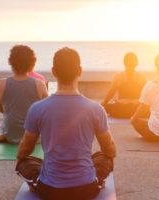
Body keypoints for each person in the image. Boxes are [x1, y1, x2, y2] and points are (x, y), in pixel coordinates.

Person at [16, 47, 116, 200]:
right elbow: (109, 149)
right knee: (104, 158)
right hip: (86, 189)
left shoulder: (37, 108)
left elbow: (25, 149)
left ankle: (35, 183)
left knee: (24, 162)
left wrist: (20, 159)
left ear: (54, 72)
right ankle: (98, 181)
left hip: (50, 191)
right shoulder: (96, 109)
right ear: (80, 71)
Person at [0, 45, 48, 143]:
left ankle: (2, 136)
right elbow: (46, 111)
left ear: (10, 61)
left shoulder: (2, 83)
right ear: (32, 63)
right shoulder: (39, 84)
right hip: (34, 137)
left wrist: (13, 112)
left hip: (10, 134)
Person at [101, 52, 146, 118]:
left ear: (124, 63)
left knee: (107, 107)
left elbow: (111, 92)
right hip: (135, 109)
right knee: (145, 109)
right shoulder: (140, 77)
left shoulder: (119, 76)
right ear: (136, 63)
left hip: (121, 109)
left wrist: (104, 102)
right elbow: (147, 93)